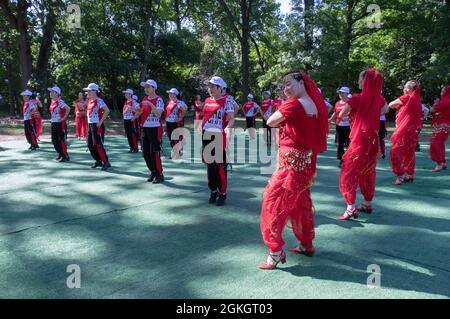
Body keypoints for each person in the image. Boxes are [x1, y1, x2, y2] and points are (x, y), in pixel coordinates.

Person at [259, 71, 328, 270]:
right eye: (283, 86)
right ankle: (306, 244)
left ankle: (274, 251)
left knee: (273, 203)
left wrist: (284, 111)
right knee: (301, 204)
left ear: (301, 82)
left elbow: (271, 121)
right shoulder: (316, 105)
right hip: (305, 164)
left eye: (288, 83)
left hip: (290, 166)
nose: (285, 88)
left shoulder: (293, 104)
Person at [337, 69, 389, 220]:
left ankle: (351, 207)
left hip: (359, 139)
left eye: (360, 79)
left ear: (365, 81)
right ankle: (367, 203)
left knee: (349, 171)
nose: (359, 82)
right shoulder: (379, 99)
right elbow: (384, 110)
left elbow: (342, 114)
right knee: (369, 170)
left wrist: (357, 113)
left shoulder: (357, 99)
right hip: (372, 140)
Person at [202, 76, 235, 206]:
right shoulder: (207, 100)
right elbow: (205, 116)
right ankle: (213, 190)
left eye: (212, 86)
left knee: (219, 166)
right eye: (209, 86)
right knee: (209, 165)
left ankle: (222, 193)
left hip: (219, 135)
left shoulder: (227, 100)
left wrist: (228, 127)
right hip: (206, 134)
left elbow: (232, 118)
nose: (210, 88)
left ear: (220, 88)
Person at [389, 80, 422, 185]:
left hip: (403, 131)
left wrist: (399, 104)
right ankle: (410, 175)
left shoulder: (406, 97)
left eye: (406, 88)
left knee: (395, 153)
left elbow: (390, 105)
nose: (404, 90)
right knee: (409, 153)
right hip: (412, 131)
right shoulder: (417, 100)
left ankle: (400, 176)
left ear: (411, 90)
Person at [136, 79, 165, 183]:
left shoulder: (159, 100)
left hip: (155, 128)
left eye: (148, 87)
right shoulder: (144, 99)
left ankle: (159, 174)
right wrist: (133, 110)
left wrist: (150, 104)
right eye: (145, 87)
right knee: (145, 153)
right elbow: (139, 111)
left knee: (155, 153)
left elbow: (158, 114)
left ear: (154, 88)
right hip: (145, 128)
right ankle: (153, 171)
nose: (146, 89)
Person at [83, 83, 111, 170]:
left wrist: (100, 121)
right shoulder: (89, 101)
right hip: (90, 124)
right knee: (90, 144)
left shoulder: (99, 101)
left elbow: (107, 111)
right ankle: (98, 160)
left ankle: (106, 162)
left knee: (98, 145)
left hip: (97, 125)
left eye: (89, 91)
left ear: (94, 91)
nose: (87, 93)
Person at [329, 87, 352, 166]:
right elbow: (335, 113)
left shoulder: (351, 102)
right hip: (339, 126)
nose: (340, 94)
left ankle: (349, 159)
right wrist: (330, 119)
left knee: (348, 143)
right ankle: (341, 159)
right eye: (340, 93)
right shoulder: (337, 103)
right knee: (339, 143)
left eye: (342, 93)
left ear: (347, 94)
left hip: (349, 126)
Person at [429, 85, 450, 172]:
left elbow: (432, 110)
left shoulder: (444, 101)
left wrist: (436, 104)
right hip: (447, 126)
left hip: (442, 126)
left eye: (442, 91)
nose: (441, 93)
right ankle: (443, 162)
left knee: (435, 143)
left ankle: (439, 163)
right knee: (440, 143)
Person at [48, 86, 71, 162]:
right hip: (53, 123)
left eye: (52, 92)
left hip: (60, 123)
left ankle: (65, 155)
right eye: (50, 91)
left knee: (61, 140)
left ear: (57, 93)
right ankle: (60, 153)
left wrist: (64, 118)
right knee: (54, 140)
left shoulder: (60, 102)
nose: (50, 93)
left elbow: (68, 108)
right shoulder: (52, 101)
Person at [165, 88, 188, 158]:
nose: (169, 95)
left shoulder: (179, 102)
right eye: (169, 93)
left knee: (175, 138)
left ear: (175, 95)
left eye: (171, 93)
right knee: (170, 138)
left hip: (175, 123)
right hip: (168, 122)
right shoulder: (169, 102)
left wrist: (180, 118)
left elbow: (185, 110)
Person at [122, 89, 140, 153]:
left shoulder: (133, 102)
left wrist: (134, 117)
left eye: (126, 93)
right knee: (128, 134)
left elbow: (139, 111)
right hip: (126, 119)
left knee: (132, 134)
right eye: (125, 93)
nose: (125, 95)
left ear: (130, 94)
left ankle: (135, 148)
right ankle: (131, 147)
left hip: (131, 120)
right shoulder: (126, 101)